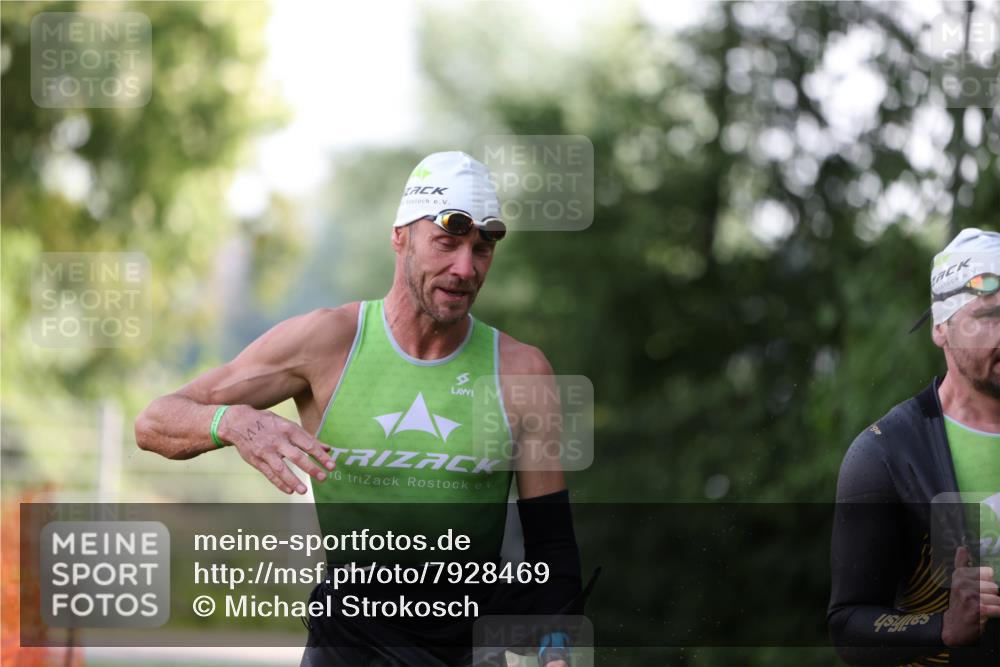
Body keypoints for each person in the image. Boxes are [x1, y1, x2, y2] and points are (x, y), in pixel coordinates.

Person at [135, 151, 586, 666]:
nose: (465, 268)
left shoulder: (520, 372)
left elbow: (552, 547)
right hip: (348, 645)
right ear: (400, 237)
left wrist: (555, 653)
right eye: (446, 243)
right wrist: (233, 420)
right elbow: (155, 422)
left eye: (481, 249)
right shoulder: (329, 343)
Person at [828, 227, 1000, 666]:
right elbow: (849, 626)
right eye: (988, 316)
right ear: (941, 328)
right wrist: (943, 627)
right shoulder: (887, 453)